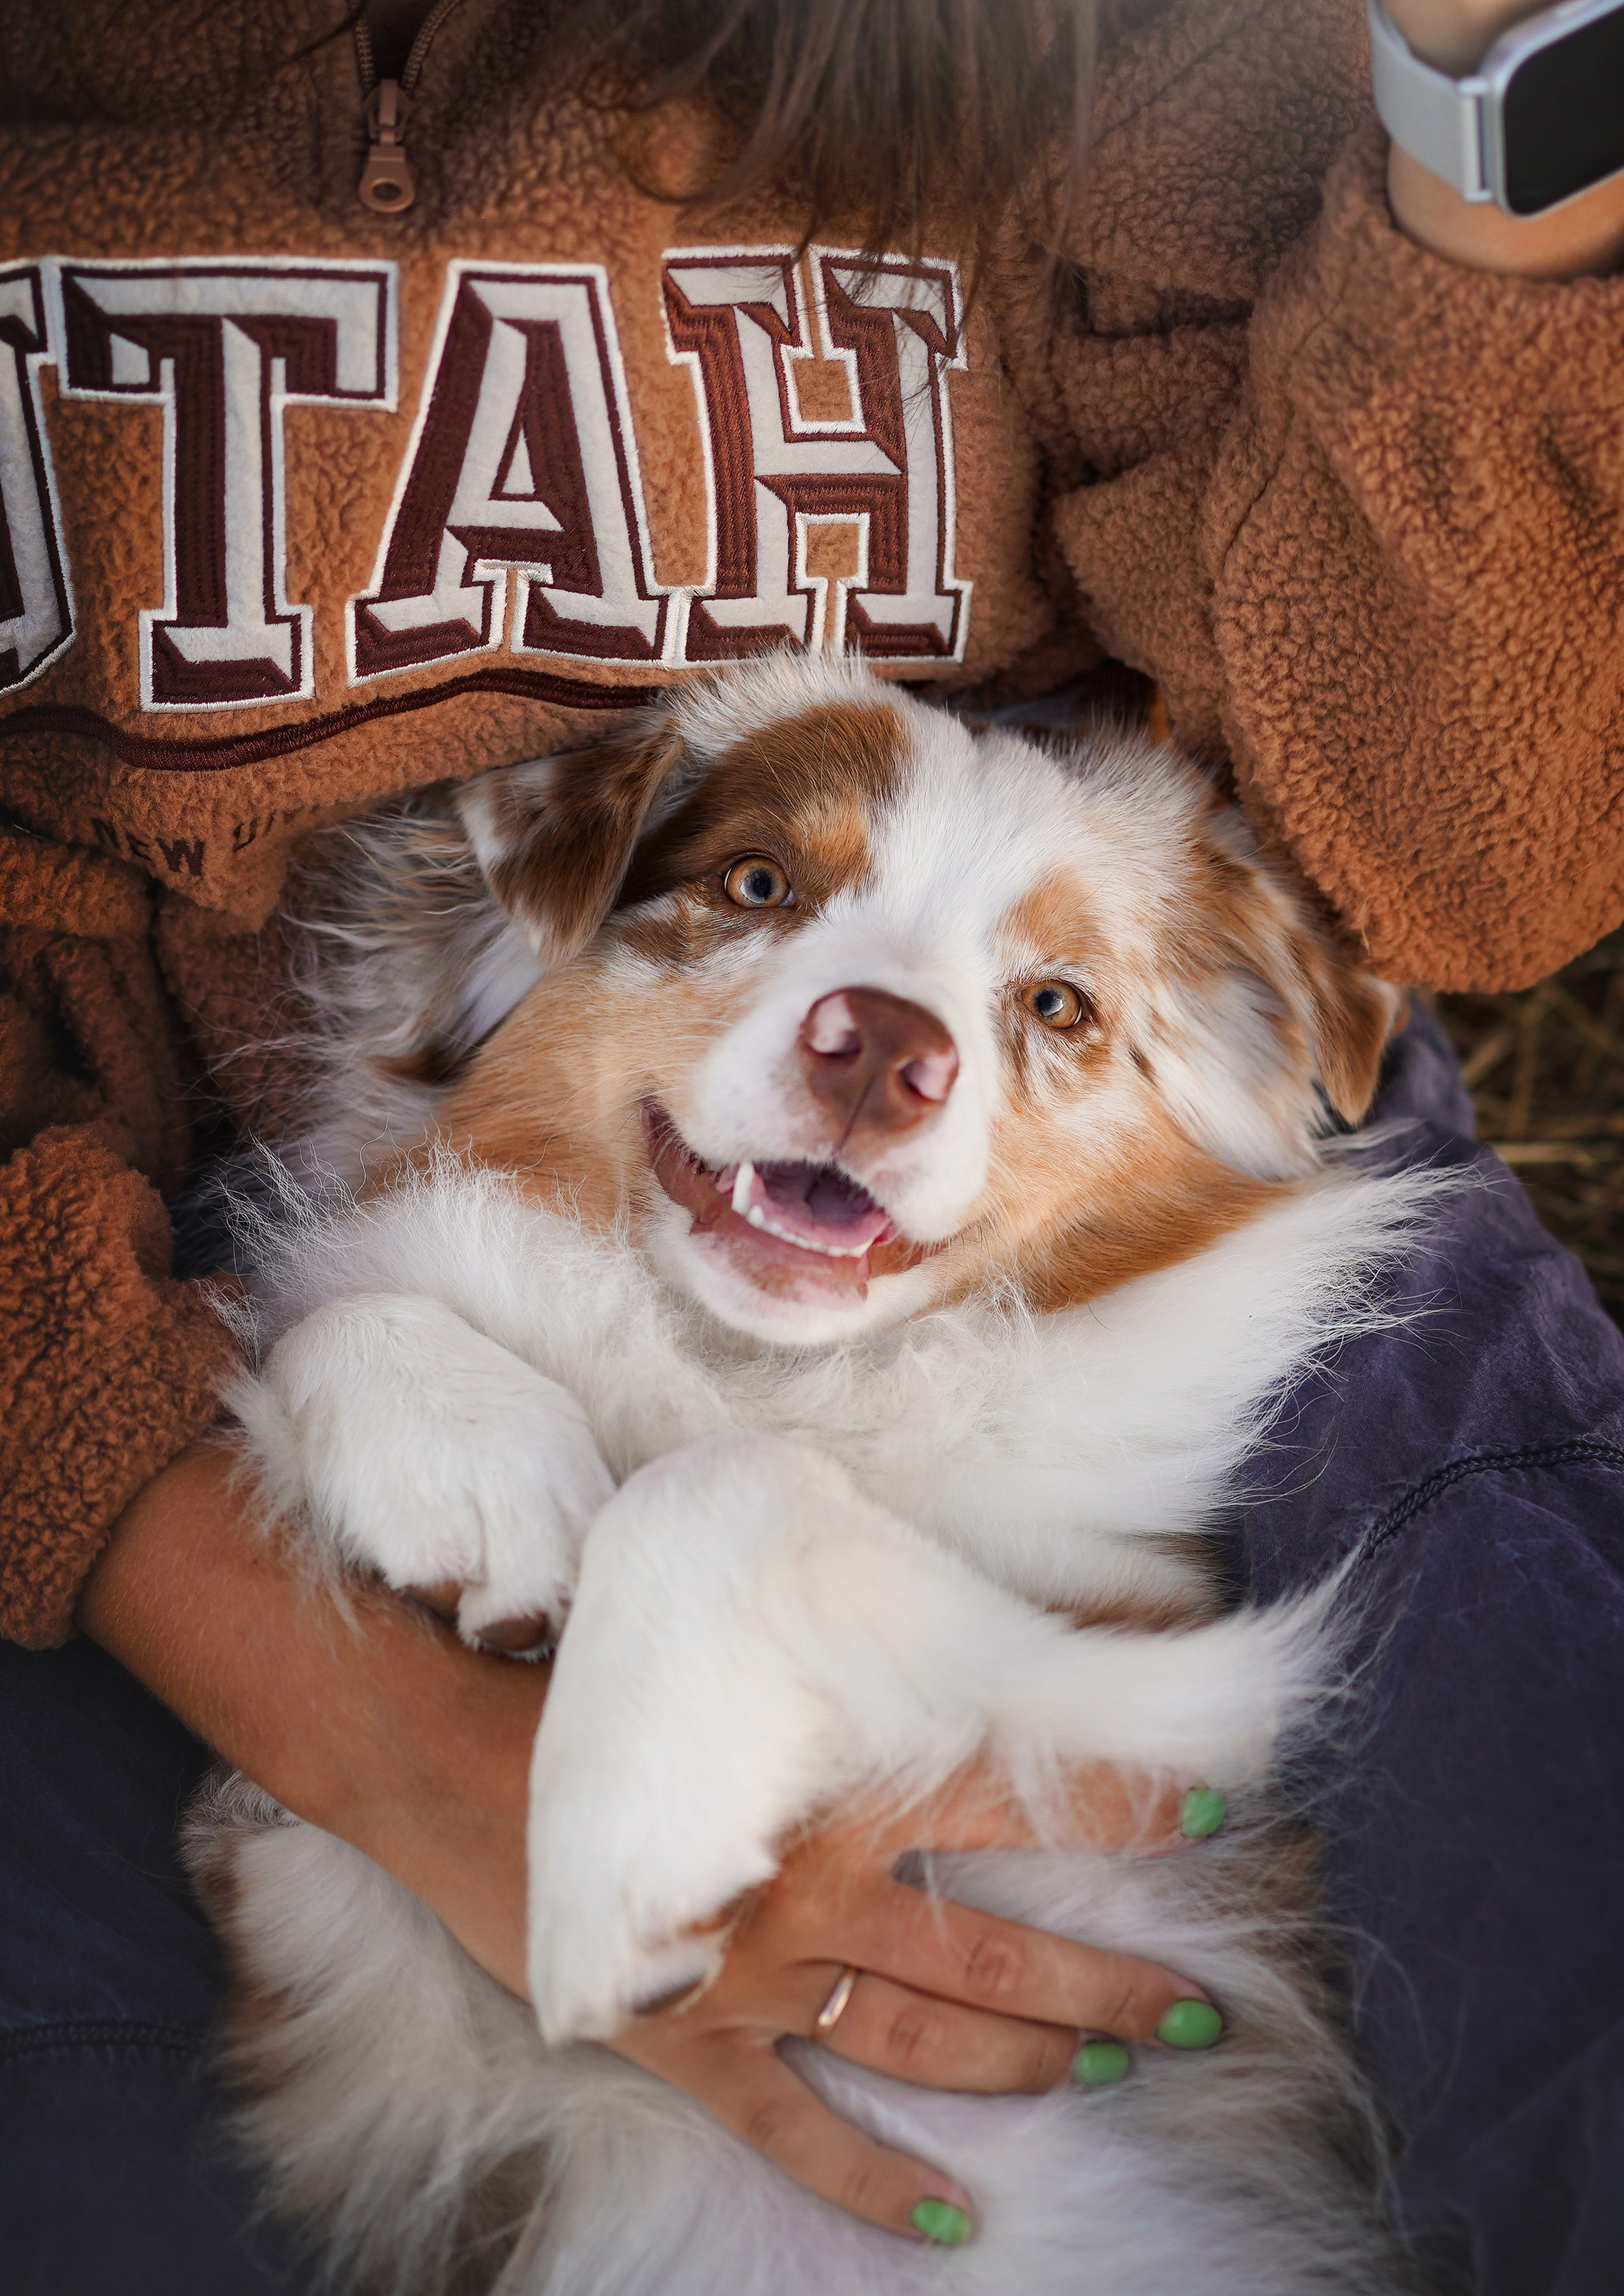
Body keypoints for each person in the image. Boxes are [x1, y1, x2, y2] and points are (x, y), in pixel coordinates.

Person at [2, 0, 1622, 2288]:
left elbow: (1452, 835)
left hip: (1106, 1164)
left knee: (1554, 1837)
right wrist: (364, 1723)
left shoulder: (1053, 45)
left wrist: (1502, 60)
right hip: (126, 1324)